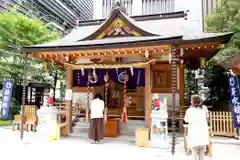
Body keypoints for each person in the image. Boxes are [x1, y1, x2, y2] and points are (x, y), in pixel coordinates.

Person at [184, 94, 209, 160]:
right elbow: (207, 117)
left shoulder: (189, 110)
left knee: (194, 150)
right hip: (203, 132)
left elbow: (186, 120)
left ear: (192, 101)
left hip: (194, 132)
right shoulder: (204, 108)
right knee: (202, 150)